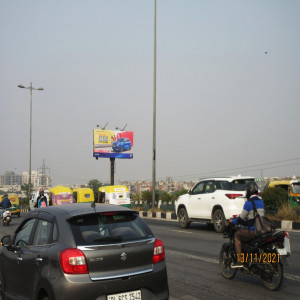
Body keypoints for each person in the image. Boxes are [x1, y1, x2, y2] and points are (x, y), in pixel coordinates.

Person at [230, 181, 264, 268]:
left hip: (253, 231)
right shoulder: (261, 202)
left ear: (249, 191)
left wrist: (232, 221)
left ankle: (240, 260)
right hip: (261, 230)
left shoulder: (248, 203)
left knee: (237, 235)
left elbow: (241, 219)